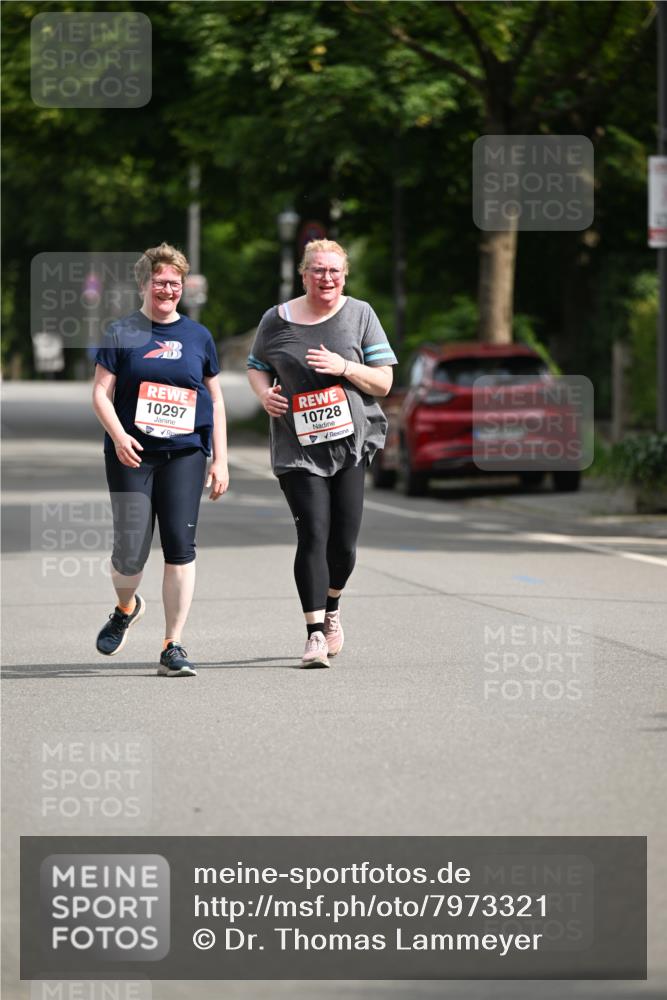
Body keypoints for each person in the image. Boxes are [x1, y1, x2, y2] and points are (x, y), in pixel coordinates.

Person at [247, 239, 397, 667]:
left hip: (350, 445)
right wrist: (264, 396)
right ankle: (314, 633)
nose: (325, 278)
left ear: (344, 275)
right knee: (312, 532)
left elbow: (384, 383)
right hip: (298, 446)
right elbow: (256, 366)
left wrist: (344, 367)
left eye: (333, 271)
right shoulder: (276, 320)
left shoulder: (360, 315)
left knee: (344, 543)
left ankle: (332, 607)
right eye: (317, 270)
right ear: (304, 274)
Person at [92, 242, 229, 677]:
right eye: (160, 282)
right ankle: (125, 607)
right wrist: (118, 435)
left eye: (175, 283)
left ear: (183, 286)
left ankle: (173, 644)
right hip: (131, 453)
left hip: (185, 453)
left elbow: (216, 398)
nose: (168, 289)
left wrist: (219, 459)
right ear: (144, 284)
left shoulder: (198, 336)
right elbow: (100, 393)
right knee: (129, 553)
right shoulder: (121, 331)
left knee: (179, 547)